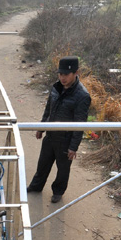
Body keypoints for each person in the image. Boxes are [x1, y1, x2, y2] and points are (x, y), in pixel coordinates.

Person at [27, 56, 92, 203]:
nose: (62, 78)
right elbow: (48, 109)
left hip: (65, 140)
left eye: (66, 74)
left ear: (76, 73)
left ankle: (58, 191)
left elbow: (80, 124)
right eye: (60, 74)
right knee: (42, 164)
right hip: (50, 135)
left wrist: (73, 147)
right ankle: (36, 186)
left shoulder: (82, 96)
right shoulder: (56, 88)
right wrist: (41, 127)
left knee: (62, 170)